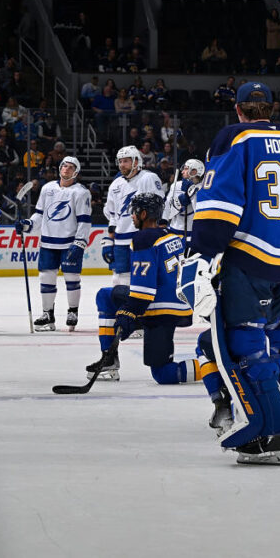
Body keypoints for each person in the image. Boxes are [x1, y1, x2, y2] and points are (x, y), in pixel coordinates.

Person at [182, 81, 280, 466]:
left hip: (252, 258)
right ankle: (278, 421)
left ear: (238, 110)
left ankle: (270, 432)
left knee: (245, 341)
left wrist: (201, 254)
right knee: (277, 339)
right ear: (273, 108)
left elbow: (220, 202)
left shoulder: (235, 138)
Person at [84, 192, 200, 384]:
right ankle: (214, 367)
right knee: (163, 374)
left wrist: (129, 312)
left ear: (144, 214)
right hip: (179, 305)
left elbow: (144, 289)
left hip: (158, 308)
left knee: (104, 297)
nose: (132, 215)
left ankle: (109, 359)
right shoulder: (171, 235)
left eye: (134, 212)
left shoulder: (143, 239)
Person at [14, 156, 91, 331]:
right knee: (46, 277)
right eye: (64, 165)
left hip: (70, 243)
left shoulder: (80, 192)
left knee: (72, 277)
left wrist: (80, 242)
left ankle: (73, 311)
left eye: (71, 167)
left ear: (76, 172)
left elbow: (84, 220)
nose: (66, 168)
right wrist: (28, 225)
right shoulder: (48, 188)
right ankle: (48, 314)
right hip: (48, 242)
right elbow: (40, 214)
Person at [102, 145, 163, 286]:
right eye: (120, 161)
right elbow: (112, 215)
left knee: (144, 277)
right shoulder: (116, 184)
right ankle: (124, 308)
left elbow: (160, 208)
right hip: (121, 240)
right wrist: (108, 240)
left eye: (126, 161)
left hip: (142, 238)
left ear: (136, 162)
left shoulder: (148, 178)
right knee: (118, 279)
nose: (122, 164)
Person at [163, 159, 204, 240]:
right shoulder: (176, 185)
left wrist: (192, 195)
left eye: (185, 169)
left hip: (193, 233)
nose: (182, 172)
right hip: (174, 231)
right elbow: (168, 211)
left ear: (194, 171)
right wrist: (181, 200)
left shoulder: (203, 188)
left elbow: (200, 213)